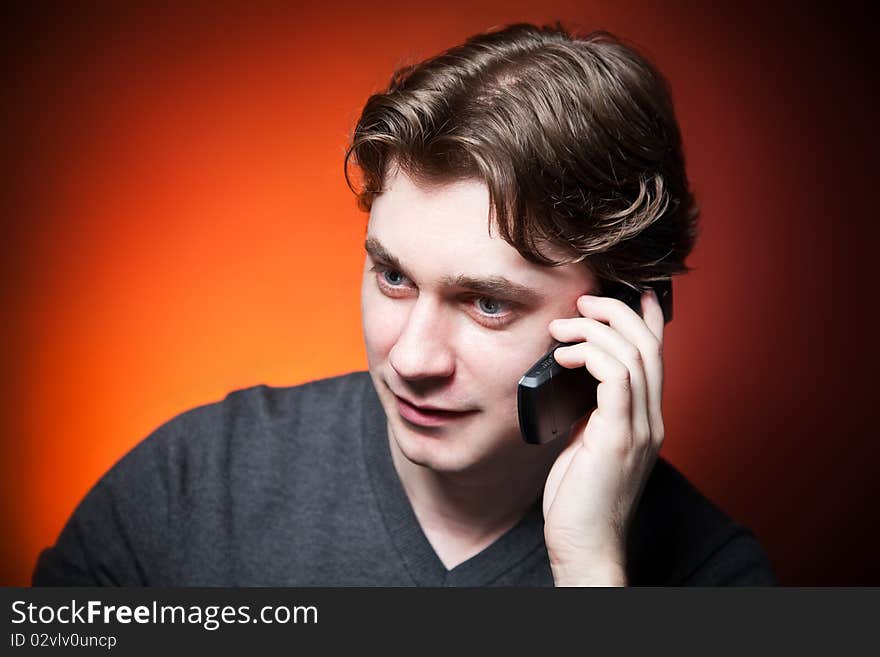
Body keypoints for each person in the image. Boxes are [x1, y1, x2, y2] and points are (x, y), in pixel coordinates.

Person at [33, 22, 775, 586]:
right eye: (392, 276)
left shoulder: (714, 572)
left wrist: (588, 567)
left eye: (487, 302)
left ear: (620, 313)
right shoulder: (193, 485)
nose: (412, 358)